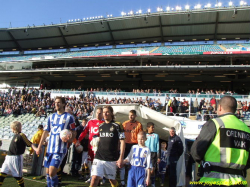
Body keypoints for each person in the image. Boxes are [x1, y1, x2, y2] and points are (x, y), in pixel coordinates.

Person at [191, 96, 250, 187]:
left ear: (220, 107)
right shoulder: (246, 129)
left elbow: (196, 151)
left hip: (212, 180)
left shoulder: (214, 123)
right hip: (240, 182)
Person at [36, 96, 76, 187]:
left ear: (63, 104)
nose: (56, 104)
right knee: (47, 173)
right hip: (49, 149)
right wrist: (39, 146)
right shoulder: (51, 117)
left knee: (52, 172)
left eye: (59, 102)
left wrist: (69, 139)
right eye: (55, 102)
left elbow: (74, 132)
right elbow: (45, 132)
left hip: (60, 149)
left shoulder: (69, 117)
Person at [90, 106, 125, 187]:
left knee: (112, 180)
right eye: (103, 112)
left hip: (111, 158)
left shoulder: (117, 125)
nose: (105, 114)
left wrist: (121, 157)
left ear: (111, 113)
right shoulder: (100, 126)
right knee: (94, 178)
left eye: (107, 112)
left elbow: (122, 141)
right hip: (99, 156)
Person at [0, 121, 37, 187]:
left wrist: (36, 149)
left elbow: (29, 143)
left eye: (11, 128)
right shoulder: (15, 135)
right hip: (8, 157)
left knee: (17, 175)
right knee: (3, 172)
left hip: (16, 157)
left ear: (14, 128)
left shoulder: (21, 135)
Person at [76, 108, 104, 182]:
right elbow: (84, 131)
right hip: (91, 146)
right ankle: (92, 177)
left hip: (100, 147)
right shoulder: (90, 121)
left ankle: (101, 178)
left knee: (99, 162)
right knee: (91, 162)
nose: (98, 114)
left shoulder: (104, 122)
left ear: (102, 114)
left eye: (100, 113)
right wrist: (79, 140)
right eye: (97, 113)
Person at [119, 110, 143, 187]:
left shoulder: (139, 124)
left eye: (132, 115)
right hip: (125, 144)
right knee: (122, 162)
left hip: (134, 145)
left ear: (135, 116)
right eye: (129, 115)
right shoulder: (125, 123)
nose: (130, 116)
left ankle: (132, 180)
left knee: (132, 163)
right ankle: (122, 181)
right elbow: (121, 134)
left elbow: (140, 136)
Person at [145, 122, 159, 187]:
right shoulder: (145, 135)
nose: (153, 128)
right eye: (152, 127)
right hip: (146, 153)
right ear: (148, 128)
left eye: (153, 127)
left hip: (153, 153)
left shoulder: (156, 135)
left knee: (152, 170)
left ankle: (153, 183)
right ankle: (145, 181)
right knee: (146, 168)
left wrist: (158, 156)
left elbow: (158, 145)